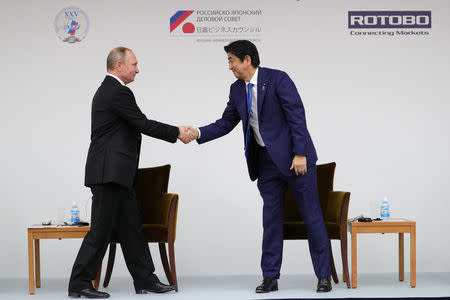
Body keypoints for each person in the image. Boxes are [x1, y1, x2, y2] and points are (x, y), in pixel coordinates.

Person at [188, 40, 332, 293]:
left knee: (311, 216)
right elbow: (226, 122)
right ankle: (270, 277)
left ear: (247, 59)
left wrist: (300, 153)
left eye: (231, 60)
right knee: (271, 219)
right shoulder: (236, 89)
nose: (229, 66)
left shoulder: (278, 79)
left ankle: (323, 276)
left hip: (295, 160)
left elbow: (296, 115)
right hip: (265, 162)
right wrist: (198, 132)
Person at [68, 47, 195, 298]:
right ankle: (80, 283)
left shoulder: (110, 91)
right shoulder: (117, 92)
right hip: (109, 173)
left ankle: (145, 280)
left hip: (117, 174)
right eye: (134, 64)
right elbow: (142, 124)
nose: (138, 69)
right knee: (101, 230)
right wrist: (177, 132)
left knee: (131, 228)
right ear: (119, 66)